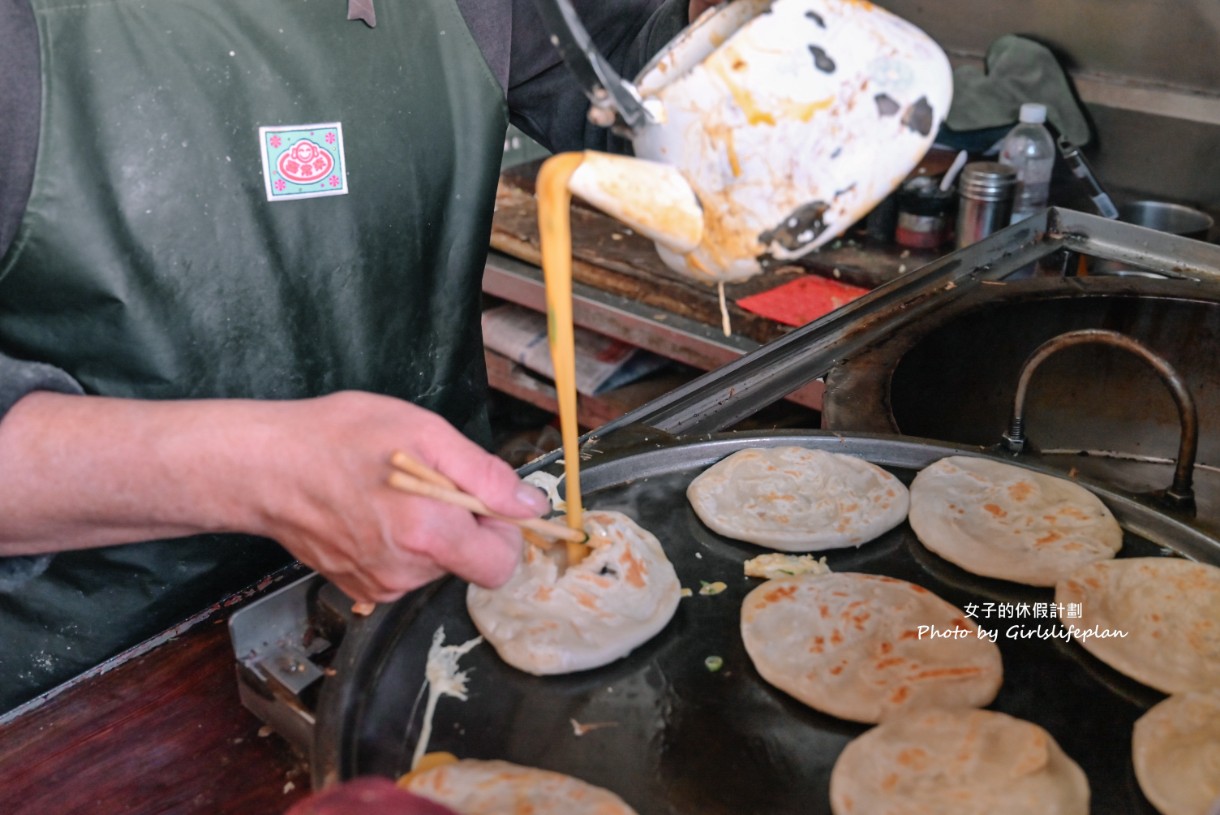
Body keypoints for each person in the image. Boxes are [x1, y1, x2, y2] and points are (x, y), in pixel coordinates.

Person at [0, 0, 709, 715]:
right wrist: (261, 473)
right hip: (94, 693)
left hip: (434, 609)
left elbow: (638, 84)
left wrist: (729, 33)